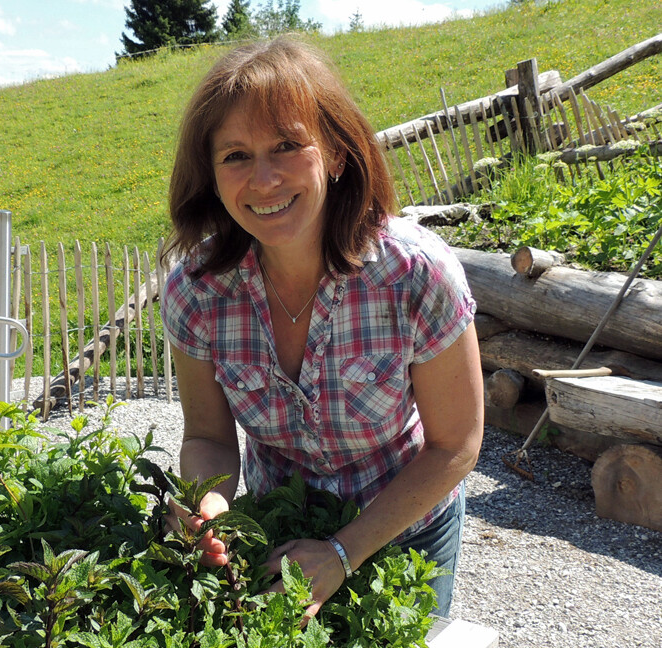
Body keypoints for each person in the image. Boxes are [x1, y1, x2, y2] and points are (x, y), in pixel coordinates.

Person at [160, 35, 484, 621]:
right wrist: (208, 503)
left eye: (286, 145)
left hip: (404, 526)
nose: (262, 180)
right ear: (210, 174)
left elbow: (455, 447)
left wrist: (343, 551)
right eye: (235, 155)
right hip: (281, 522)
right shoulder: (197, 292)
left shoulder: (415, 275)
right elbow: (207, 436)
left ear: (335, 154)